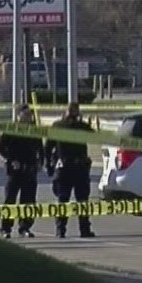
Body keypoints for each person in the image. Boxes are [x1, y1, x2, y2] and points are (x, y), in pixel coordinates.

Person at [44, 101, 96, 238]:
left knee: (77, 200)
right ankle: (65, 229)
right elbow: (48, 147)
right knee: (68, 200)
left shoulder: (74, 126)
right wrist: (49, 165)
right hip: (68, 168)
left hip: (75, 168)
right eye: (73, 110)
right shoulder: (61, 126)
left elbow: (47, 148)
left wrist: (49, 165)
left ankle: (72, 229)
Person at [0, 105, 44, 238]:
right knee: (10, 200)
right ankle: (6, 228)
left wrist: (41, 162)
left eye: (30, 114)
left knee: (28, 201)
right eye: (26, 114)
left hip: (30, 169)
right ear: (18, 116)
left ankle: (25, 227)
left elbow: (40, 148)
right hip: (15, 170)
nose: (28, 117)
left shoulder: (33, 130)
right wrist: (10, 160)